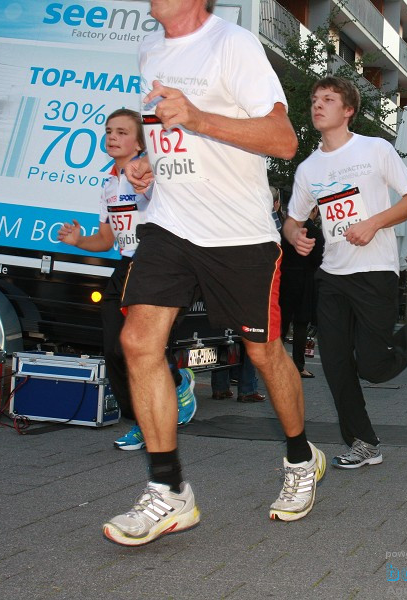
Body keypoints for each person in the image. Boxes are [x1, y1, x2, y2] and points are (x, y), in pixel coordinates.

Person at [103, 0, 320, 547]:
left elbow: (283, 140)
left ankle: (300, 456)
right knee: (137, 339)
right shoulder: (150, 50)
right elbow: (171, 132)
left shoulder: (234, 45)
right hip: (170, 224)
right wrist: (152, 158)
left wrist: (197, 118)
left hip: (238, 234)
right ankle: (170, 490)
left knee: (263, 353)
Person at [284, 76, 407, 470]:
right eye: (315, 99)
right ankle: (363, 442)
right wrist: (295, 237)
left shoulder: (375, 149)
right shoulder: (308, 168)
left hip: (374, 270)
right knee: (336, 366)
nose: (318, 105)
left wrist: (373, 223)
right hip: (331, 275)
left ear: (348, 109)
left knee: (372, 365)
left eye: (329, 99)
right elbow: (292, 219)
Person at [56, 108, 197, 452]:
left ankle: (176, 384)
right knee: (112, 350)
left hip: (155, 265)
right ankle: (139, 421)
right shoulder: (107, 183)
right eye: (108, 131)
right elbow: (105, 239)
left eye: (121, 132)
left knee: (137, 345)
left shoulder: (151, 174)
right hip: (125, 265)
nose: (112, 137)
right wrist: (78, 241)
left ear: (139, 141)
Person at [277, 188, 324, 379]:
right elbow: (319, 260)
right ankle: (298, 365)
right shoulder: (315, 232)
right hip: (305, 281)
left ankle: (277, 363)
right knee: (301, 324)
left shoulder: (285, 230)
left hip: (285, 278)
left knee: (282, 322)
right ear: (313, 211)